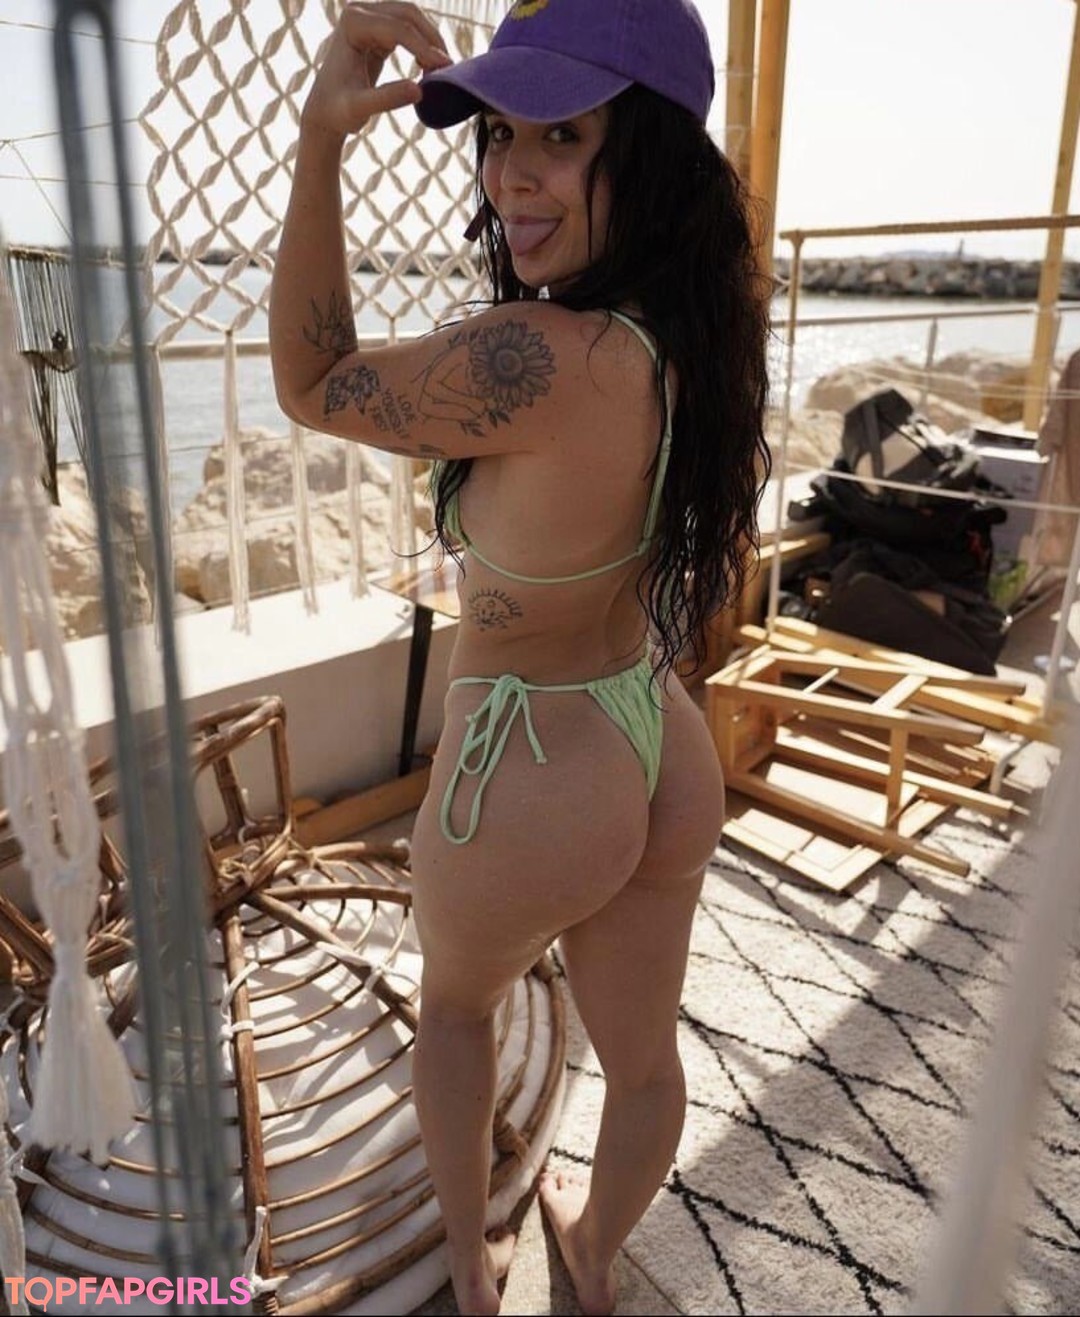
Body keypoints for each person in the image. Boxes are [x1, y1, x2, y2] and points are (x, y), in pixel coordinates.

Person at [269, 2, 769, 1312]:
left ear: (647, 153)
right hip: (652, 732)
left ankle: (473, 1274)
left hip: (537, 767)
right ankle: (592, 1259)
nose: (511, 175)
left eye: (561, 135)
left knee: (454, 1013)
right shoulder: (687, 333)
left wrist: (322, 137)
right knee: (645, 1065)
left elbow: (312, 380)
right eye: (498, 134)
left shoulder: (542, 357)